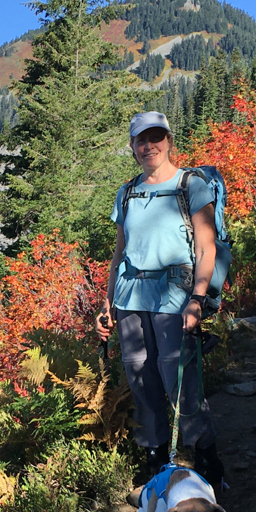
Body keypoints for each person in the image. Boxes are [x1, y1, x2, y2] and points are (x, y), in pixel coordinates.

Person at [94, 111, 225, 489]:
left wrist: (197, 299)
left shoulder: (191, 185)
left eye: (156, 137)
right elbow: (120, 254)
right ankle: (154, 457)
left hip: (174, 295)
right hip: (130, 297)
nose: (148, 145)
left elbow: (206, 246)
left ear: (169, 141)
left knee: (178, 380)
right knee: (139, 377)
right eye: (141, 140)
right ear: (132, 146)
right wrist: (107, 302)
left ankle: (205, 457)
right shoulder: (128, 192)